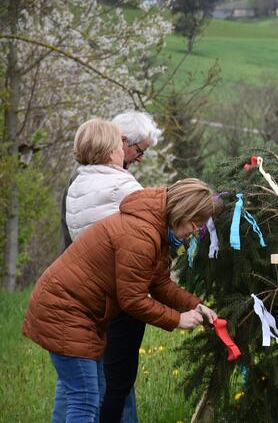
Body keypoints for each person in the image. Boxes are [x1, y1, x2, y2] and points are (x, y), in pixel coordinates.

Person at [24, 177, 222, 422]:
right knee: (85, 399)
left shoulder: (154, 230)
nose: (195, 231)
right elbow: (133, 300)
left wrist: (194, 305)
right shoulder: (141, 235)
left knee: (88, 396)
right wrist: (177, 319)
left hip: (81, 314)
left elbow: (159, 283)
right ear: (183, 212)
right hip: (65, 310)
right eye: (196, 224)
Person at [57, 112, 161, 423]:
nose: (139, 158)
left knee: (77, 381)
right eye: (138, 150)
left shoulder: (77, 182)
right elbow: (145, 236)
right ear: (119, 143)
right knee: (114, 381)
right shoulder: (122, 186)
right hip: (113, 295)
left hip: (78, 292)